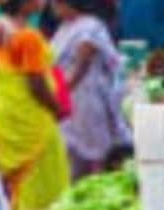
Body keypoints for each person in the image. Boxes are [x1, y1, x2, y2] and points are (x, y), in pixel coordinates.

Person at [0, 0, 70, 210]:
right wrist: (57, 108)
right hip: (34, 124)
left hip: (7, 118)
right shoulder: (28, 37)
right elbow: (37, 85)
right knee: (47, 182)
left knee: (19, 185)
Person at [52, 0, 127, 177]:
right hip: (69, 100)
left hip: (86, 99)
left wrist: (60, 95)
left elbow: (81, 67)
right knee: (72, 154)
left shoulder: (90, 27)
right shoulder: (64, 27)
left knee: (94, 153)